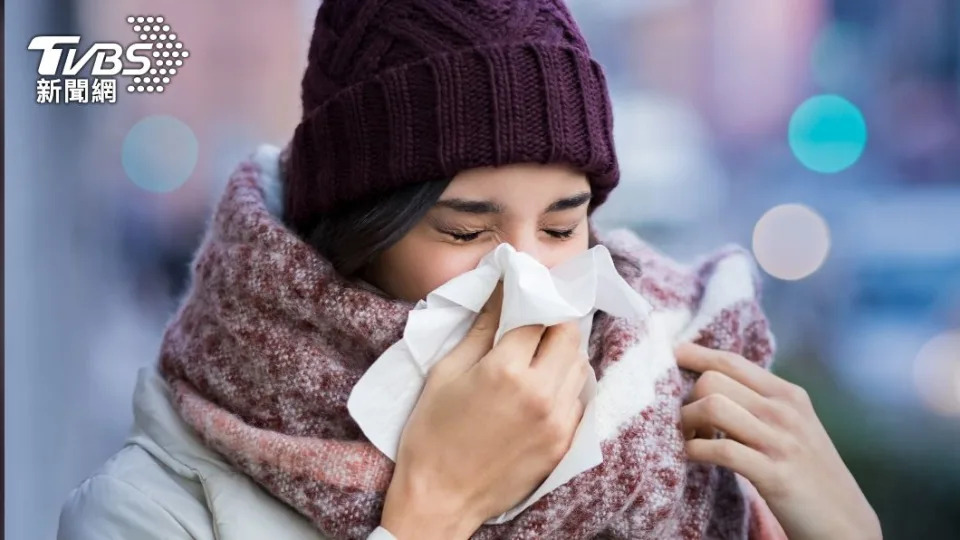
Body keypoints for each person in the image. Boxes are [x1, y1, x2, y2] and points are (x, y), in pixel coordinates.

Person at [57, 1, 881, 539]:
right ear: (353, 237)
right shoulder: (152, 509)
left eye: (562, 225)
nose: (528, 277)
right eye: (466, 228)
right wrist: (433, 510)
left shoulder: (681, 437)